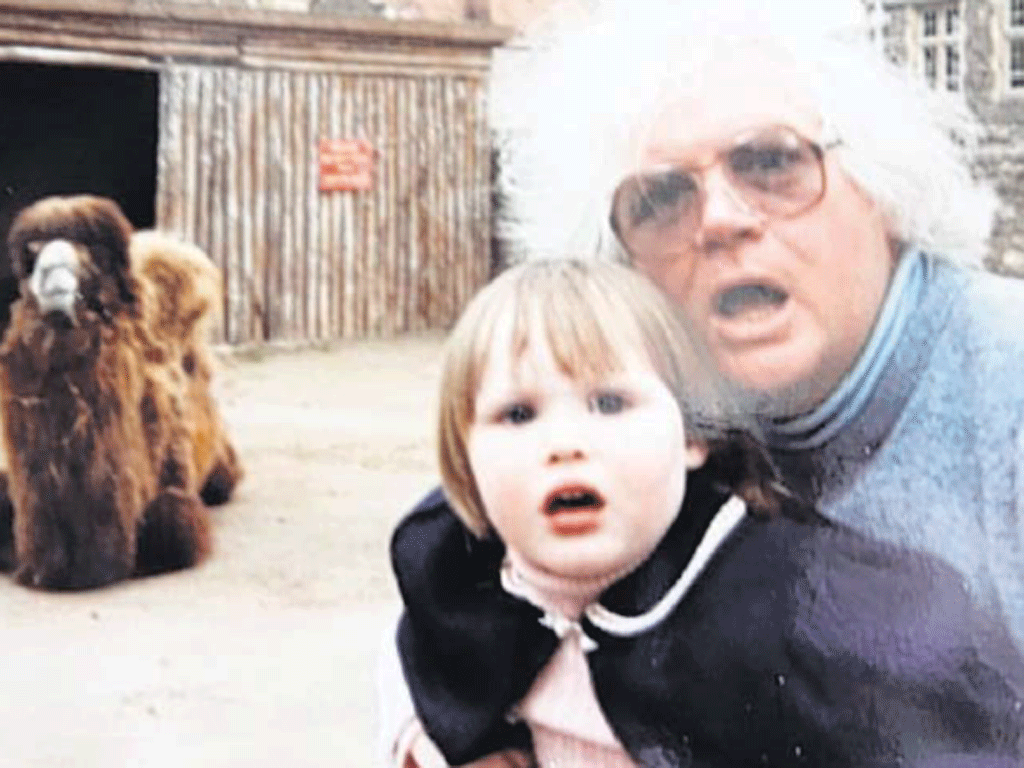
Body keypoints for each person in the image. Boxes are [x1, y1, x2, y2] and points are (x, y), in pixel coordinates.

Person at [480, 0, 1024, 647]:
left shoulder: (1006, 390)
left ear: (884, 190)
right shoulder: (646, 398)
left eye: (770, 163)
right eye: (660, 198)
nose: (720, 220)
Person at [389, 258, 1024, 768]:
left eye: (610, 403)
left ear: (694, 435)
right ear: (464, 463)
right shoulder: (457, 567)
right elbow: (433, 648)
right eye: (518, 415)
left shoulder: (796, 601)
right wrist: (456, 743)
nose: (565, 443)